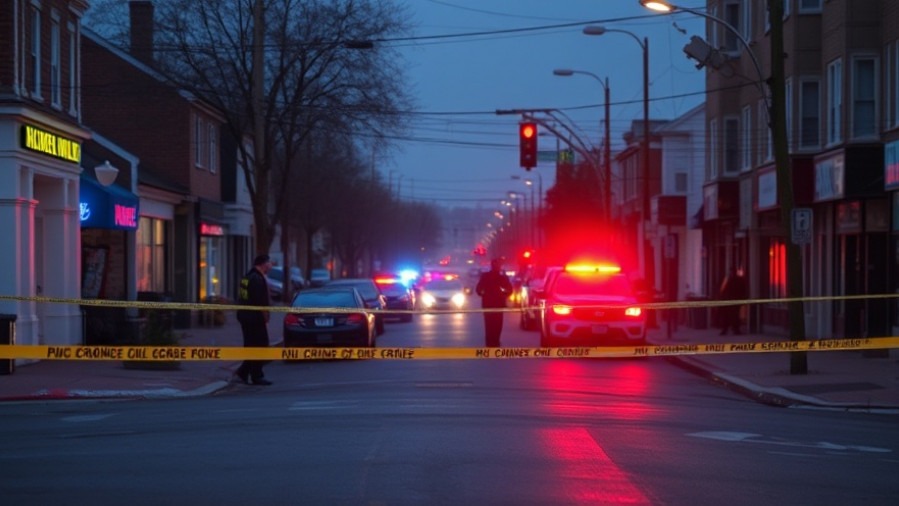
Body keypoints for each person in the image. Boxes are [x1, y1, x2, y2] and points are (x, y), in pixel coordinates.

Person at [235, 254, 274, 385]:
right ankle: (256, 375)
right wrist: (265, 316)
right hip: (254, 317)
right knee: (261, 344)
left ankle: (243, 372)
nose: (270, 266)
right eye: (269, 263)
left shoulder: (247, 277)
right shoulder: (257, 279)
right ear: (263, 264)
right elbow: (260, 301)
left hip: (245, 316)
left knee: (250, 345)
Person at [475, 258, 513, 347]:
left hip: (488, 304)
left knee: (489, 325)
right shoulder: (501, 278)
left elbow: (478, 290)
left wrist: (483, 295)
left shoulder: (486, 276)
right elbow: (509, 290)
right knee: (497, 325)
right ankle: (495, 342)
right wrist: (503, 295)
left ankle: (490, 343)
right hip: (497, 304)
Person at [718, 266, 747, 335]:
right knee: (733, 316)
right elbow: (743, 290)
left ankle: (727, 329)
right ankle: (733, 329)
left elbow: (723, 290)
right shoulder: (737, 280)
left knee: (729, 316)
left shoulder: (730, 280)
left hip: (730, 300)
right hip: (733, 300)